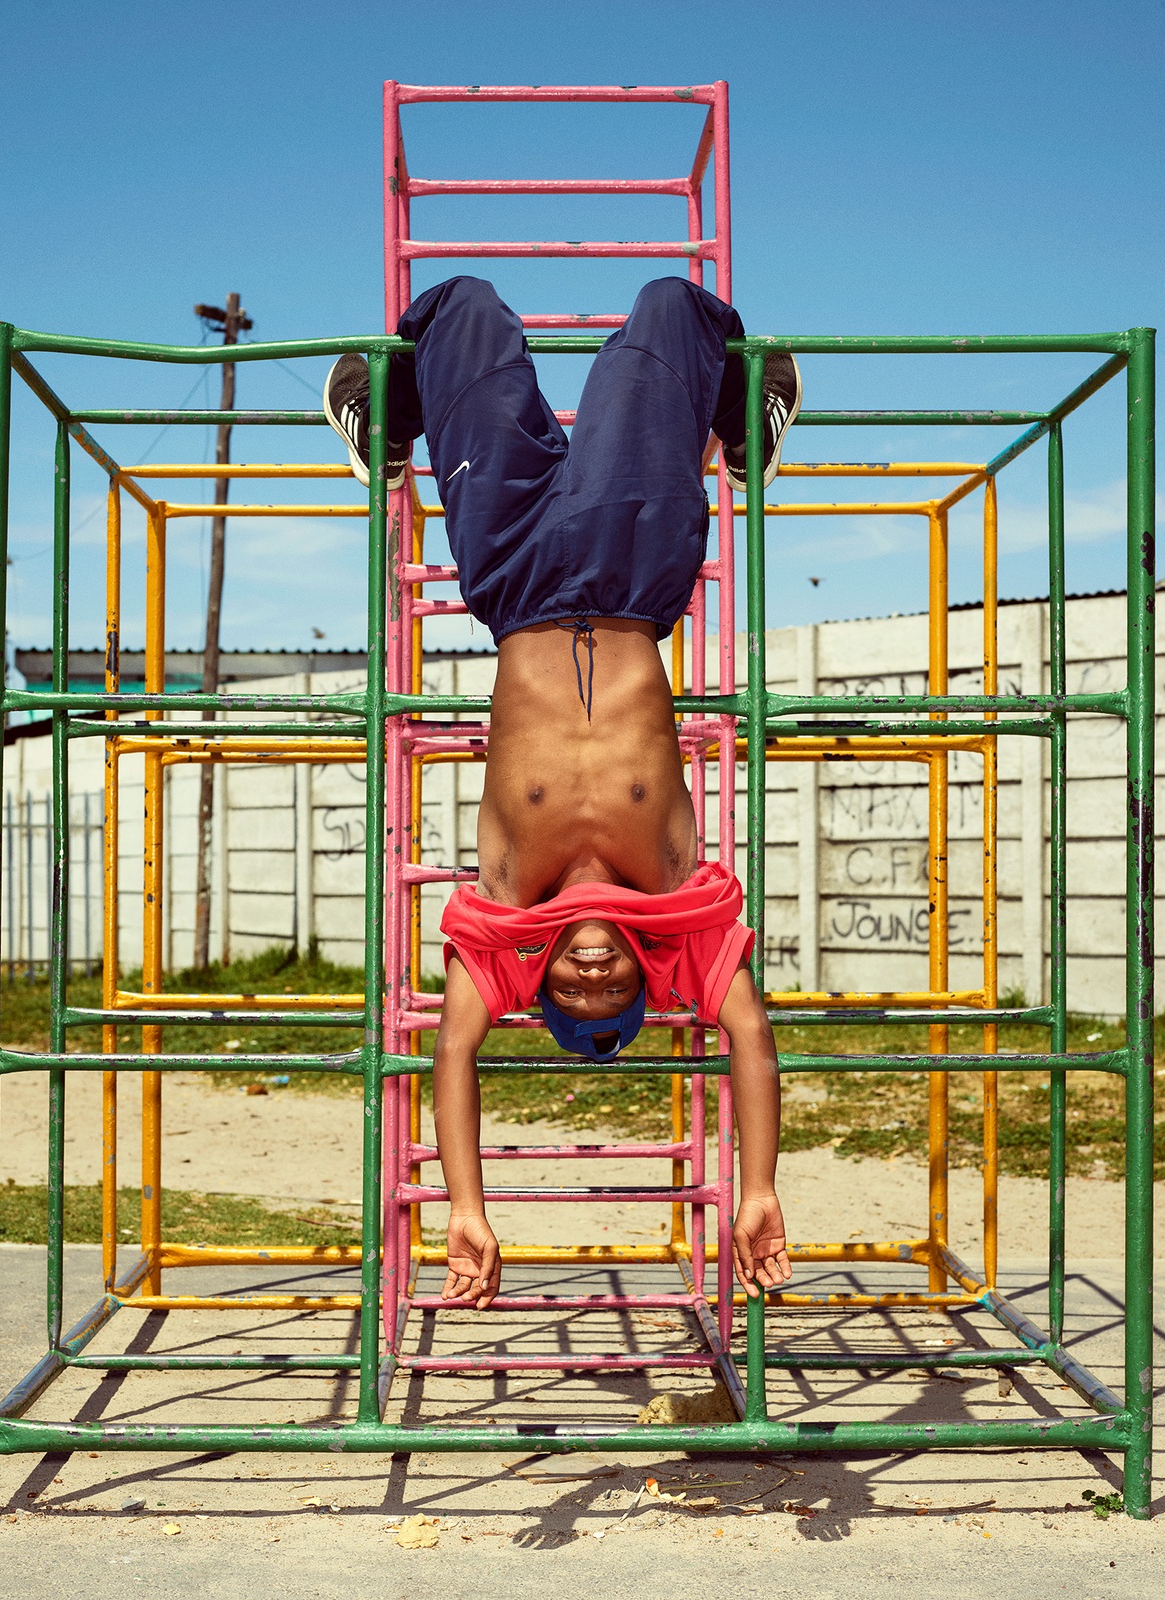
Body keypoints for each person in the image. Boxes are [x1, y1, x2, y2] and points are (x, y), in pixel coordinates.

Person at [324, 275, 800, 1312]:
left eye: (571, 992)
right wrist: (758, 1185)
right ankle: (742, 411)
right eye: (610, 991)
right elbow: (752, 1040)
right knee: (669, 313)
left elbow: (454, 1054)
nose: (590, 973)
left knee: (472, 311)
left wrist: (466, 1206)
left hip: (518, 585)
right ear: (646, 979)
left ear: (540, 981)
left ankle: (387, 407)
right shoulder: (683, 923)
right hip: (636, 578)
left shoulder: (506, 926)